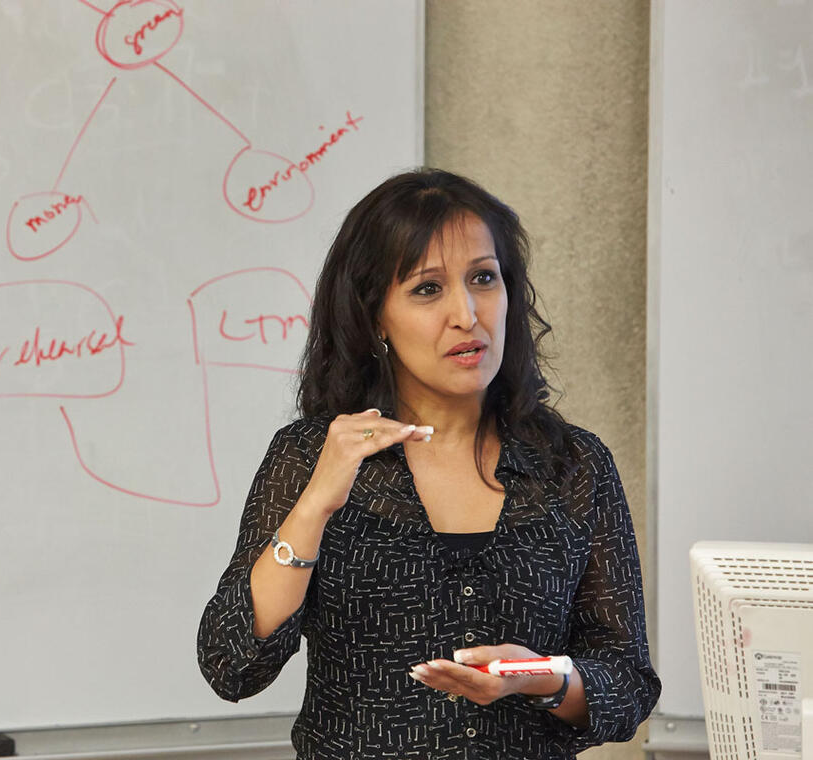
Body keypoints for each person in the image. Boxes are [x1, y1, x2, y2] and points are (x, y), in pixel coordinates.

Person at [196, 169, 661, 759]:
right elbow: (232, 665)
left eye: (484, 279)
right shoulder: (310, 456)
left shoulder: (574, 464)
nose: (467, 314)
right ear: (373, 318)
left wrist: (545, 676)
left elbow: (627, 683)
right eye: (427, 289)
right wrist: (315, 504)